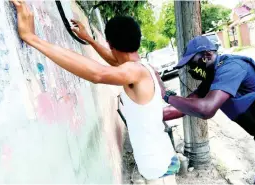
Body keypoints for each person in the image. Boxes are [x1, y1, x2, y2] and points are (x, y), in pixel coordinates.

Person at [11, 0, 179, 184]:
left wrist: (32, 38)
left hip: (156, 166)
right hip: (162, 157)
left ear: (110, 43)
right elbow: (114, 61)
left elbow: (98, 73)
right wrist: (90, 40)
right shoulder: (141, 68)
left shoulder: (134, 72)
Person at [162, 36, 255, 184]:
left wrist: (166, 95)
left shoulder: (231, 67)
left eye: (192, 63)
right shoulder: (214, 76)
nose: (192, 69)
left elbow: (206, 109)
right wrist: (152, 115)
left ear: (207, 55)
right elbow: (185, 105)